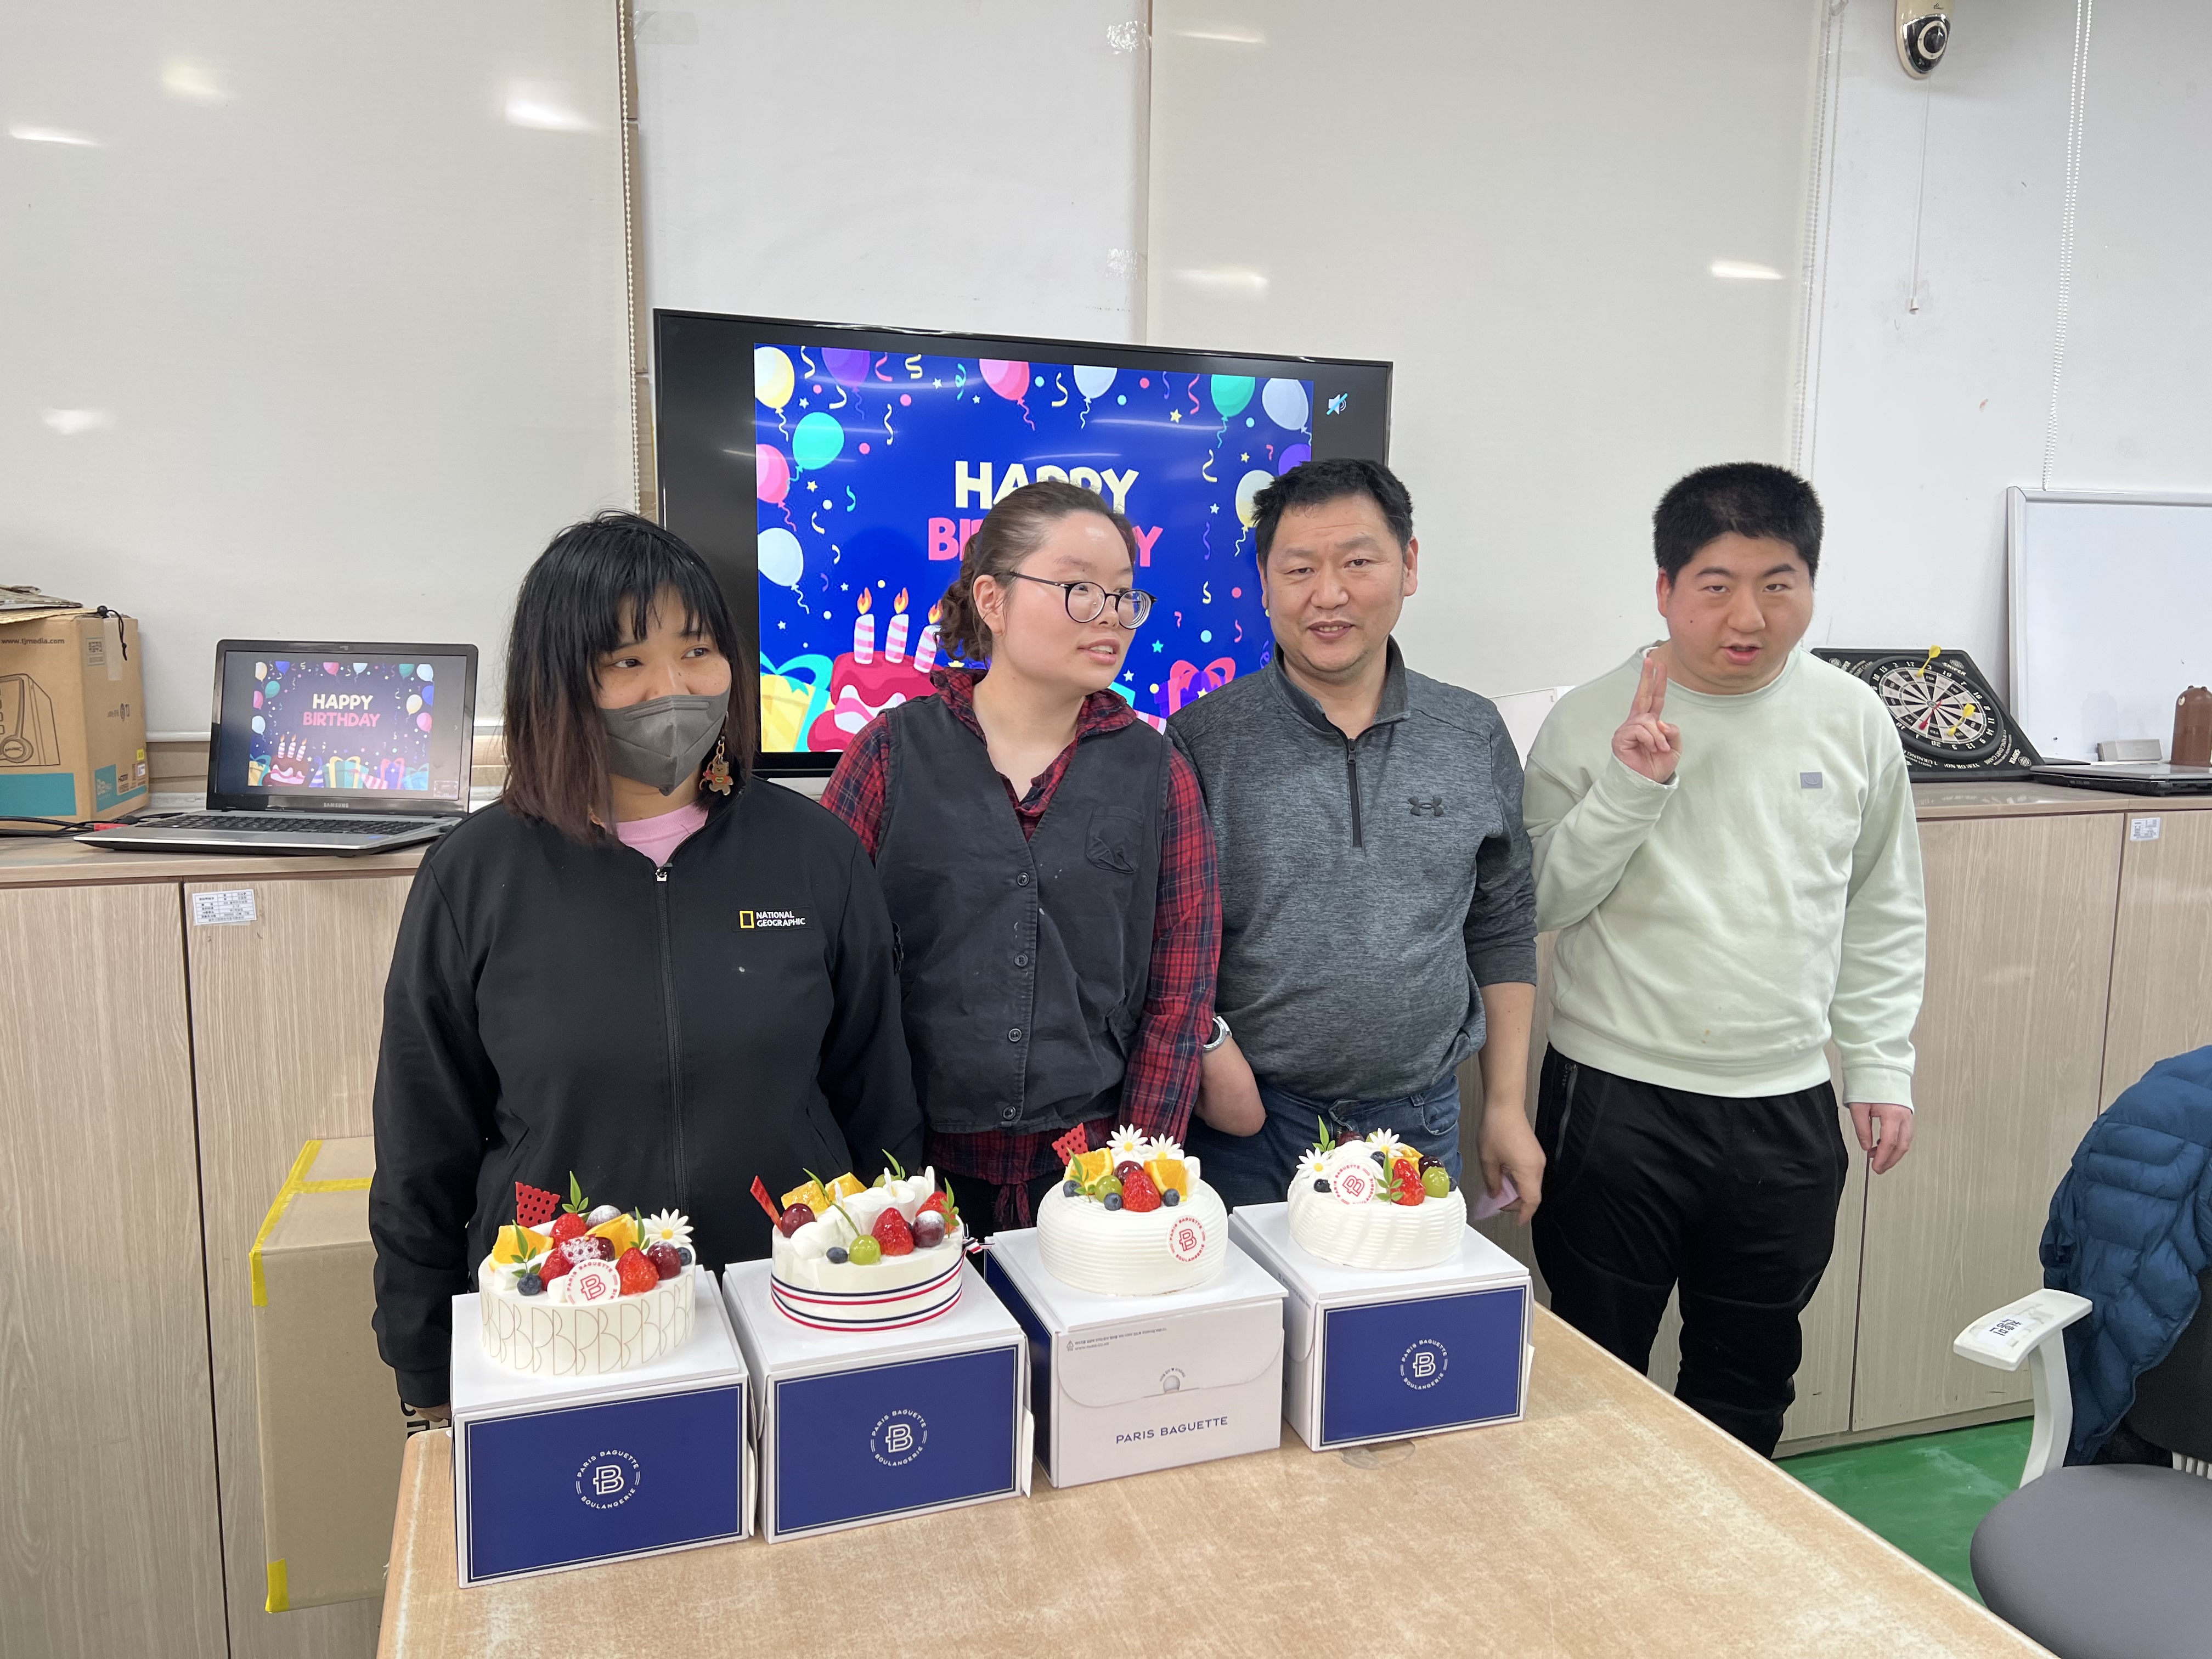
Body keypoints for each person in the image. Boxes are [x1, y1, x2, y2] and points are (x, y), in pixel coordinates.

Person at [370, 511, 921, 1420]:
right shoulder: (475, 875)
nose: (673, 687)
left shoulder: (815, 853)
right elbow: (420, 1147)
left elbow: (879, 1099)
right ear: (559, 681)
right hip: (564, 1331)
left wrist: (893, 1292)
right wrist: (425, 1368)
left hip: (795, 1313)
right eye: (626, 661)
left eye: (697, 651)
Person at [1522, 461, 1926, 1457]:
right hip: (1616, 1097)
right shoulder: (1590, 716)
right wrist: (1628, 788)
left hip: (1785, 1101)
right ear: (1666, 590)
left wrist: (1880, 1062)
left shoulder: (1853, 717)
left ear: (1810, 586)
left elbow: (1882, 904)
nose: (1748, 616)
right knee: (1594, 1372)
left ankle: (1723, 1555)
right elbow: (1535, 903)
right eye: (1717, 585)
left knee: (1748, 1380)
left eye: (1778, 584)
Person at [823, 479, 1228, 1232]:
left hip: (1089, 1169)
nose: (1110, 616)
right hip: (906, 1172)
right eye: (1080, 589)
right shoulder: (890, 754)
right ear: (993, 599)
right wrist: (865, 1170)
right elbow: (825, 970)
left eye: (1124, 595)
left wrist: (1135, 1178)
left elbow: (1179, 996)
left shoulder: (1159, 774)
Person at [1167, 458, 1546, 1218]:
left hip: (1417, 1123)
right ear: (1264, 583)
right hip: (1248, 1127)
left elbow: (1502, 923)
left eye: (1358, 563)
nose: (1329, 594)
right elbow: (1168, 941)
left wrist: (1506, 1105)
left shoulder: (1471, 732)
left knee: (1402, 1302)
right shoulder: (1202, 739)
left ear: (1409, 566)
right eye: (1299, 569)